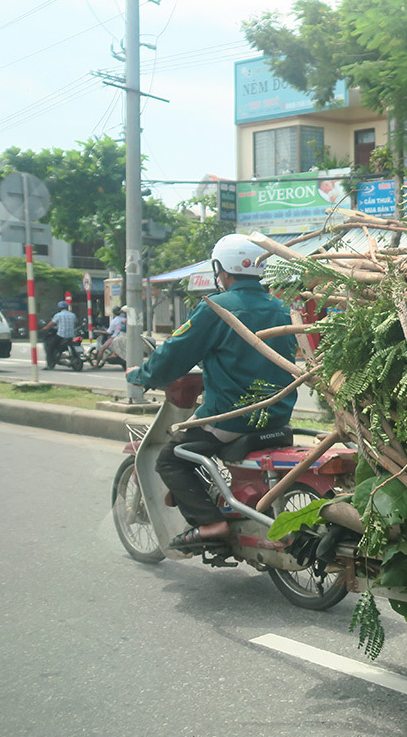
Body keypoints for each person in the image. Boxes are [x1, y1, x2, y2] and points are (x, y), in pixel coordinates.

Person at [126, 234, 298, 552]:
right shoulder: (282, 309)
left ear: (222, 269)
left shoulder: (216, 308)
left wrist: (140, 376)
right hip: (277, 417)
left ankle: (210, 523)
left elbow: (173, 356)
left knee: (171, 459)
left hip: (231, 421)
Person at [41, 301, 78, 367]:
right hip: (71, 336)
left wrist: (44, 328)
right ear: (67, 307)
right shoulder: (72, 315)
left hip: (61, 336)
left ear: (59, 308)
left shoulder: (58, 315)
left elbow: (51, 324)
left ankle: (50, 364)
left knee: (50, 348)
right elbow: (75, 322)